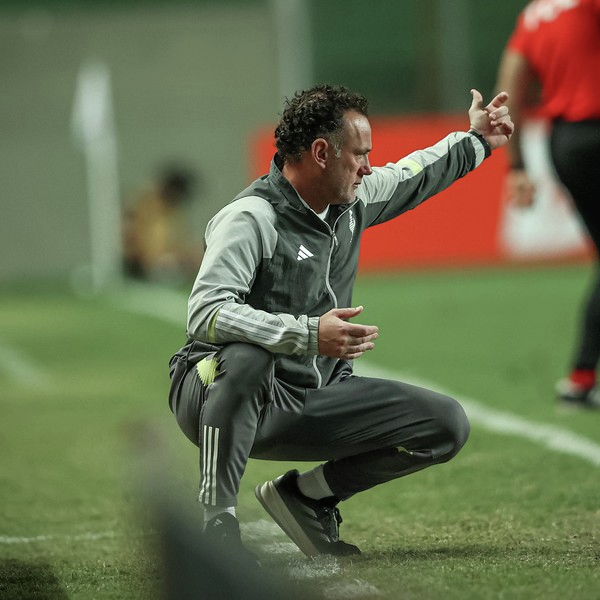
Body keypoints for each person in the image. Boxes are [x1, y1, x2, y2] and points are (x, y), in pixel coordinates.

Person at [168, 84, 514, 561]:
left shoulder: (355, 198)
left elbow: (417, 173)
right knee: (246, 358)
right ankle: (218, 523)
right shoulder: (252, 217)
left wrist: (477, 140)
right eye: (360, 154)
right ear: (321, 153)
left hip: (313, 395)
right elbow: (207, 312)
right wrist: (309, 334)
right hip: (218, 393)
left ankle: (305, 496)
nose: (369, 167)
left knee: (445, 425)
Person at [496, 0, 600, 408]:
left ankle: (581, 378)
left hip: (565, 144)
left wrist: (516, 166)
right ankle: (579, 378)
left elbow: (509, 88)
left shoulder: (533, 15)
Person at [122, 165, 201, 284]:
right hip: (143, 266)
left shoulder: (174, 213)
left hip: (165, 263)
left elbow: (179, 243)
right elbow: (138, 245)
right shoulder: (146, 206)